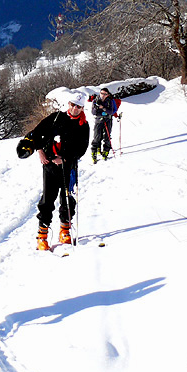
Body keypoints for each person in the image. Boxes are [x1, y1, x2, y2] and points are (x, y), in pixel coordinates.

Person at [22, 91, 89, 250]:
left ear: (82, 108)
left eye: (78, 107)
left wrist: (65, 158)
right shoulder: (56, 117)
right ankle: (42, 235)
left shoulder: (83, 125)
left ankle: (65, 231)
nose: (75, 109)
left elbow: (82, 148)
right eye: (73, 105)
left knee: (67, 199)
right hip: (50, 165)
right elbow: (37, 132)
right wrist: (39, 150)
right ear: (68, 105)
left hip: (68, 166)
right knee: (47, 200)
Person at [90, 87, 121, 162]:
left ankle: (105, 152)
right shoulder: (95, 100)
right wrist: (100, 110)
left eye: (105, 94)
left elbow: (113, 111)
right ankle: (94, 153)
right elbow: (93, 112)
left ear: (107, 95)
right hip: (98, 120)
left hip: (108, 120)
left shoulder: (110, 101)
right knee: (97, 136)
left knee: (107, 136)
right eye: (101, 93)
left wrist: (103, 108)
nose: (103, 95)